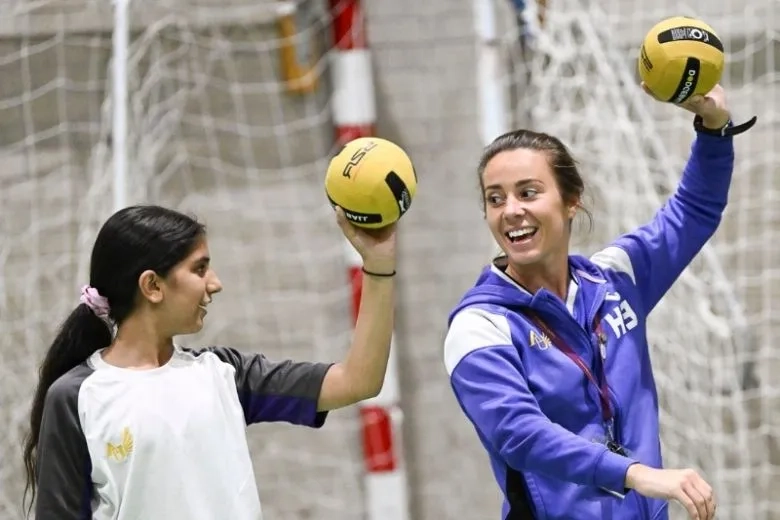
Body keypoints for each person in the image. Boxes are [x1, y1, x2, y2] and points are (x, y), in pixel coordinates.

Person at [443, 84, 756, 520]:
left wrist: (715, 129)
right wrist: (635, 474)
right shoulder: (479, 325)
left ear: (572, 201)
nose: (510, 210)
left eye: (528, 192)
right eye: (495, 198)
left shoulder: (614, 279)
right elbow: (520, 435)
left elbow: (693, 211)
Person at [23, 203, 398, 520]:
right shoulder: (76, 397)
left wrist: (378, 266)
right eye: (200, 269)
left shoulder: (226, 375)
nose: (214, 283)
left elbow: (358, 380)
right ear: (152, 286)